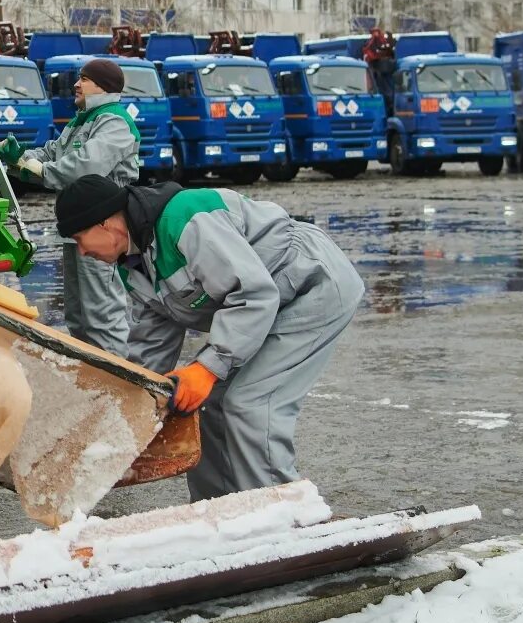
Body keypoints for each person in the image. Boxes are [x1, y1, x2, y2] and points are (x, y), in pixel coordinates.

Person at [52, 173, 363, 501]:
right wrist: (133, 405)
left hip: (312, 288)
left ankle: (285, 516)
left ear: (105, 224)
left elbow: (253, 295)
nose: (82, 252)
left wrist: (208, 368)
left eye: (79, 237)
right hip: (269, 307)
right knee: (203, 405)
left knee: (251, 403)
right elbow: (152, 346)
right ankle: (218, 512)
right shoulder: (134, 266)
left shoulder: (185, 219)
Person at [0, 58, 140, 356]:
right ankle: (92, 379)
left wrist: (40, 171)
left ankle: (122, 382)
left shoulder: (114, 122)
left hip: (104, 230)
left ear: (103, 87)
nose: (76, 84)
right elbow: (51, 152)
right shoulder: (82, 121)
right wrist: (19, 157)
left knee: (102, 315)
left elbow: (84, 166)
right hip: (78, 227)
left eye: (84, 79)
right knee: (78, 316)